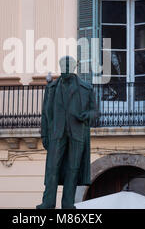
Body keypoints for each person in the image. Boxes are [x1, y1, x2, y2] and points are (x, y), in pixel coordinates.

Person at [37, 56, 98, 209]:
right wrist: (44, 134)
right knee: (52, 168)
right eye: (63, 66)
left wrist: (88, 115)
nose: (65, 69)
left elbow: (94, 111)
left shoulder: (86, 88)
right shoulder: (51, 88)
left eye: (68, 67)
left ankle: (68, 203)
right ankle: (48, 202)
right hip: (57, 134)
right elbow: (45, 113)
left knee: (73, 169)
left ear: (73, 68)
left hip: (77, 134)